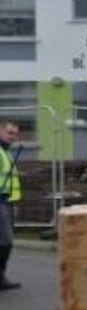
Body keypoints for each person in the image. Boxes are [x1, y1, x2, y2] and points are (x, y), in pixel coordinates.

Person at [0, 120, 22, 291]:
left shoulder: (5, 152)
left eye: (15, 134)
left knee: (5, 241)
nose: (13, 137)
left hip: (7, 201)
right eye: (10, 133)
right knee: (5, 241)